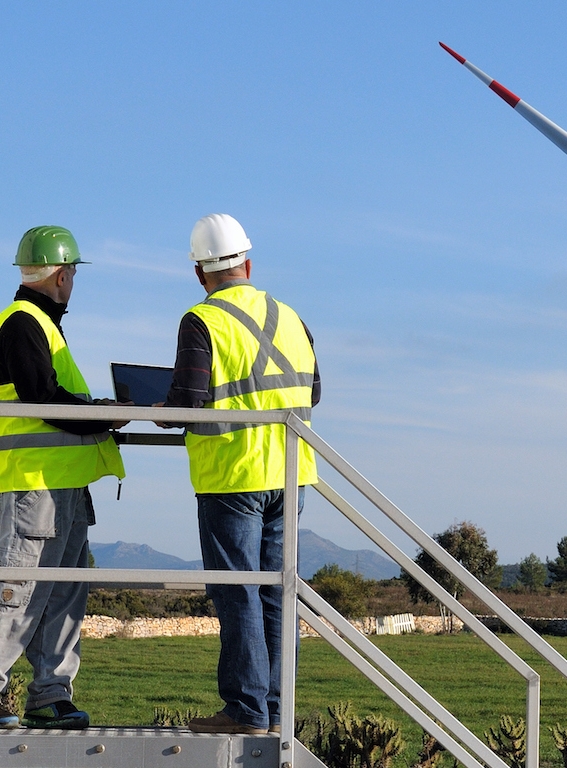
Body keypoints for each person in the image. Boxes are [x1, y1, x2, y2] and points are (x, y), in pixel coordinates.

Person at [0, 226, 127, 729]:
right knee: (19, 585)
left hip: (62, 486)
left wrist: (102, 413)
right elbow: (42, 399)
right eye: (71, 273)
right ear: (61, 274)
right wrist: (104, 416)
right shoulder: (23, 322)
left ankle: (50, 694)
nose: (72, 282)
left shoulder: (41, 326)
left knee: (64, 590)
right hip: (33, 484)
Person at [159, 213, 319, 735]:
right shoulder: (291, 316)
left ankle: (247, 711)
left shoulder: (201, 320)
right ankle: (276, 711)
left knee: (238, 592)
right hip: (290, 473)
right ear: (247, 264)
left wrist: (149, 406)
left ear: (199, 273)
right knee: (277, 591)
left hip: (232, 475)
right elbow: (313, 391)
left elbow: (186, 403)